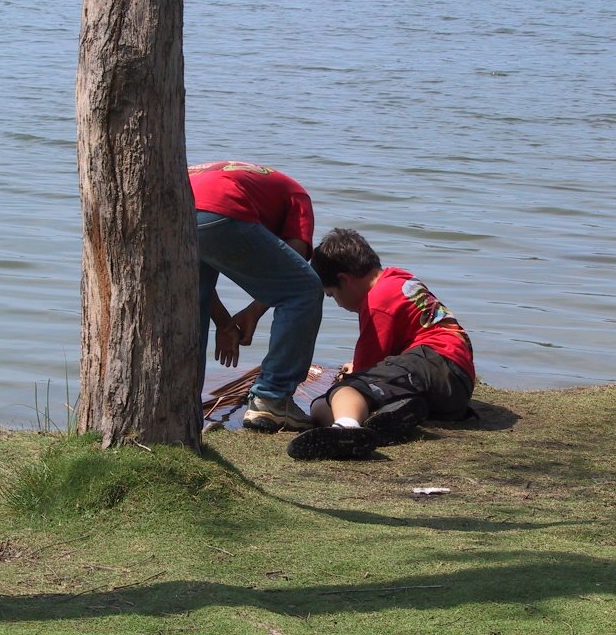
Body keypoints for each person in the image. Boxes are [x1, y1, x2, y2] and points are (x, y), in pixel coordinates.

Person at [287, 228, 476, 460]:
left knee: (340, 393)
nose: (337, 303)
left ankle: (346, 429)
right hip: (454, 386)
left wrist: (353, 372)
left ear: (344, 280)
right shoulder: (399, 278)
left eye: (332, 294)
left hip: (434, 361)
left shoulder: (377, 300)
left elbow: (365, 372)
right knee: (338, 402)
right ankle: (386, 418)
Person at [190, 161, 323, 432]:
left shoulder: (223, 172)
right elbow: (294, 268)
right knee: (306, 290)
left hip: (168, 206)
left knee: (192, 298)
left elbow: (198, 288)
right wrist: (253, 312)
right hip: (222, 204)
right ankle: (272, 400)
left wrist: (225, 324)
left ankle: (183, 406)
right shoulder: (298, 195)